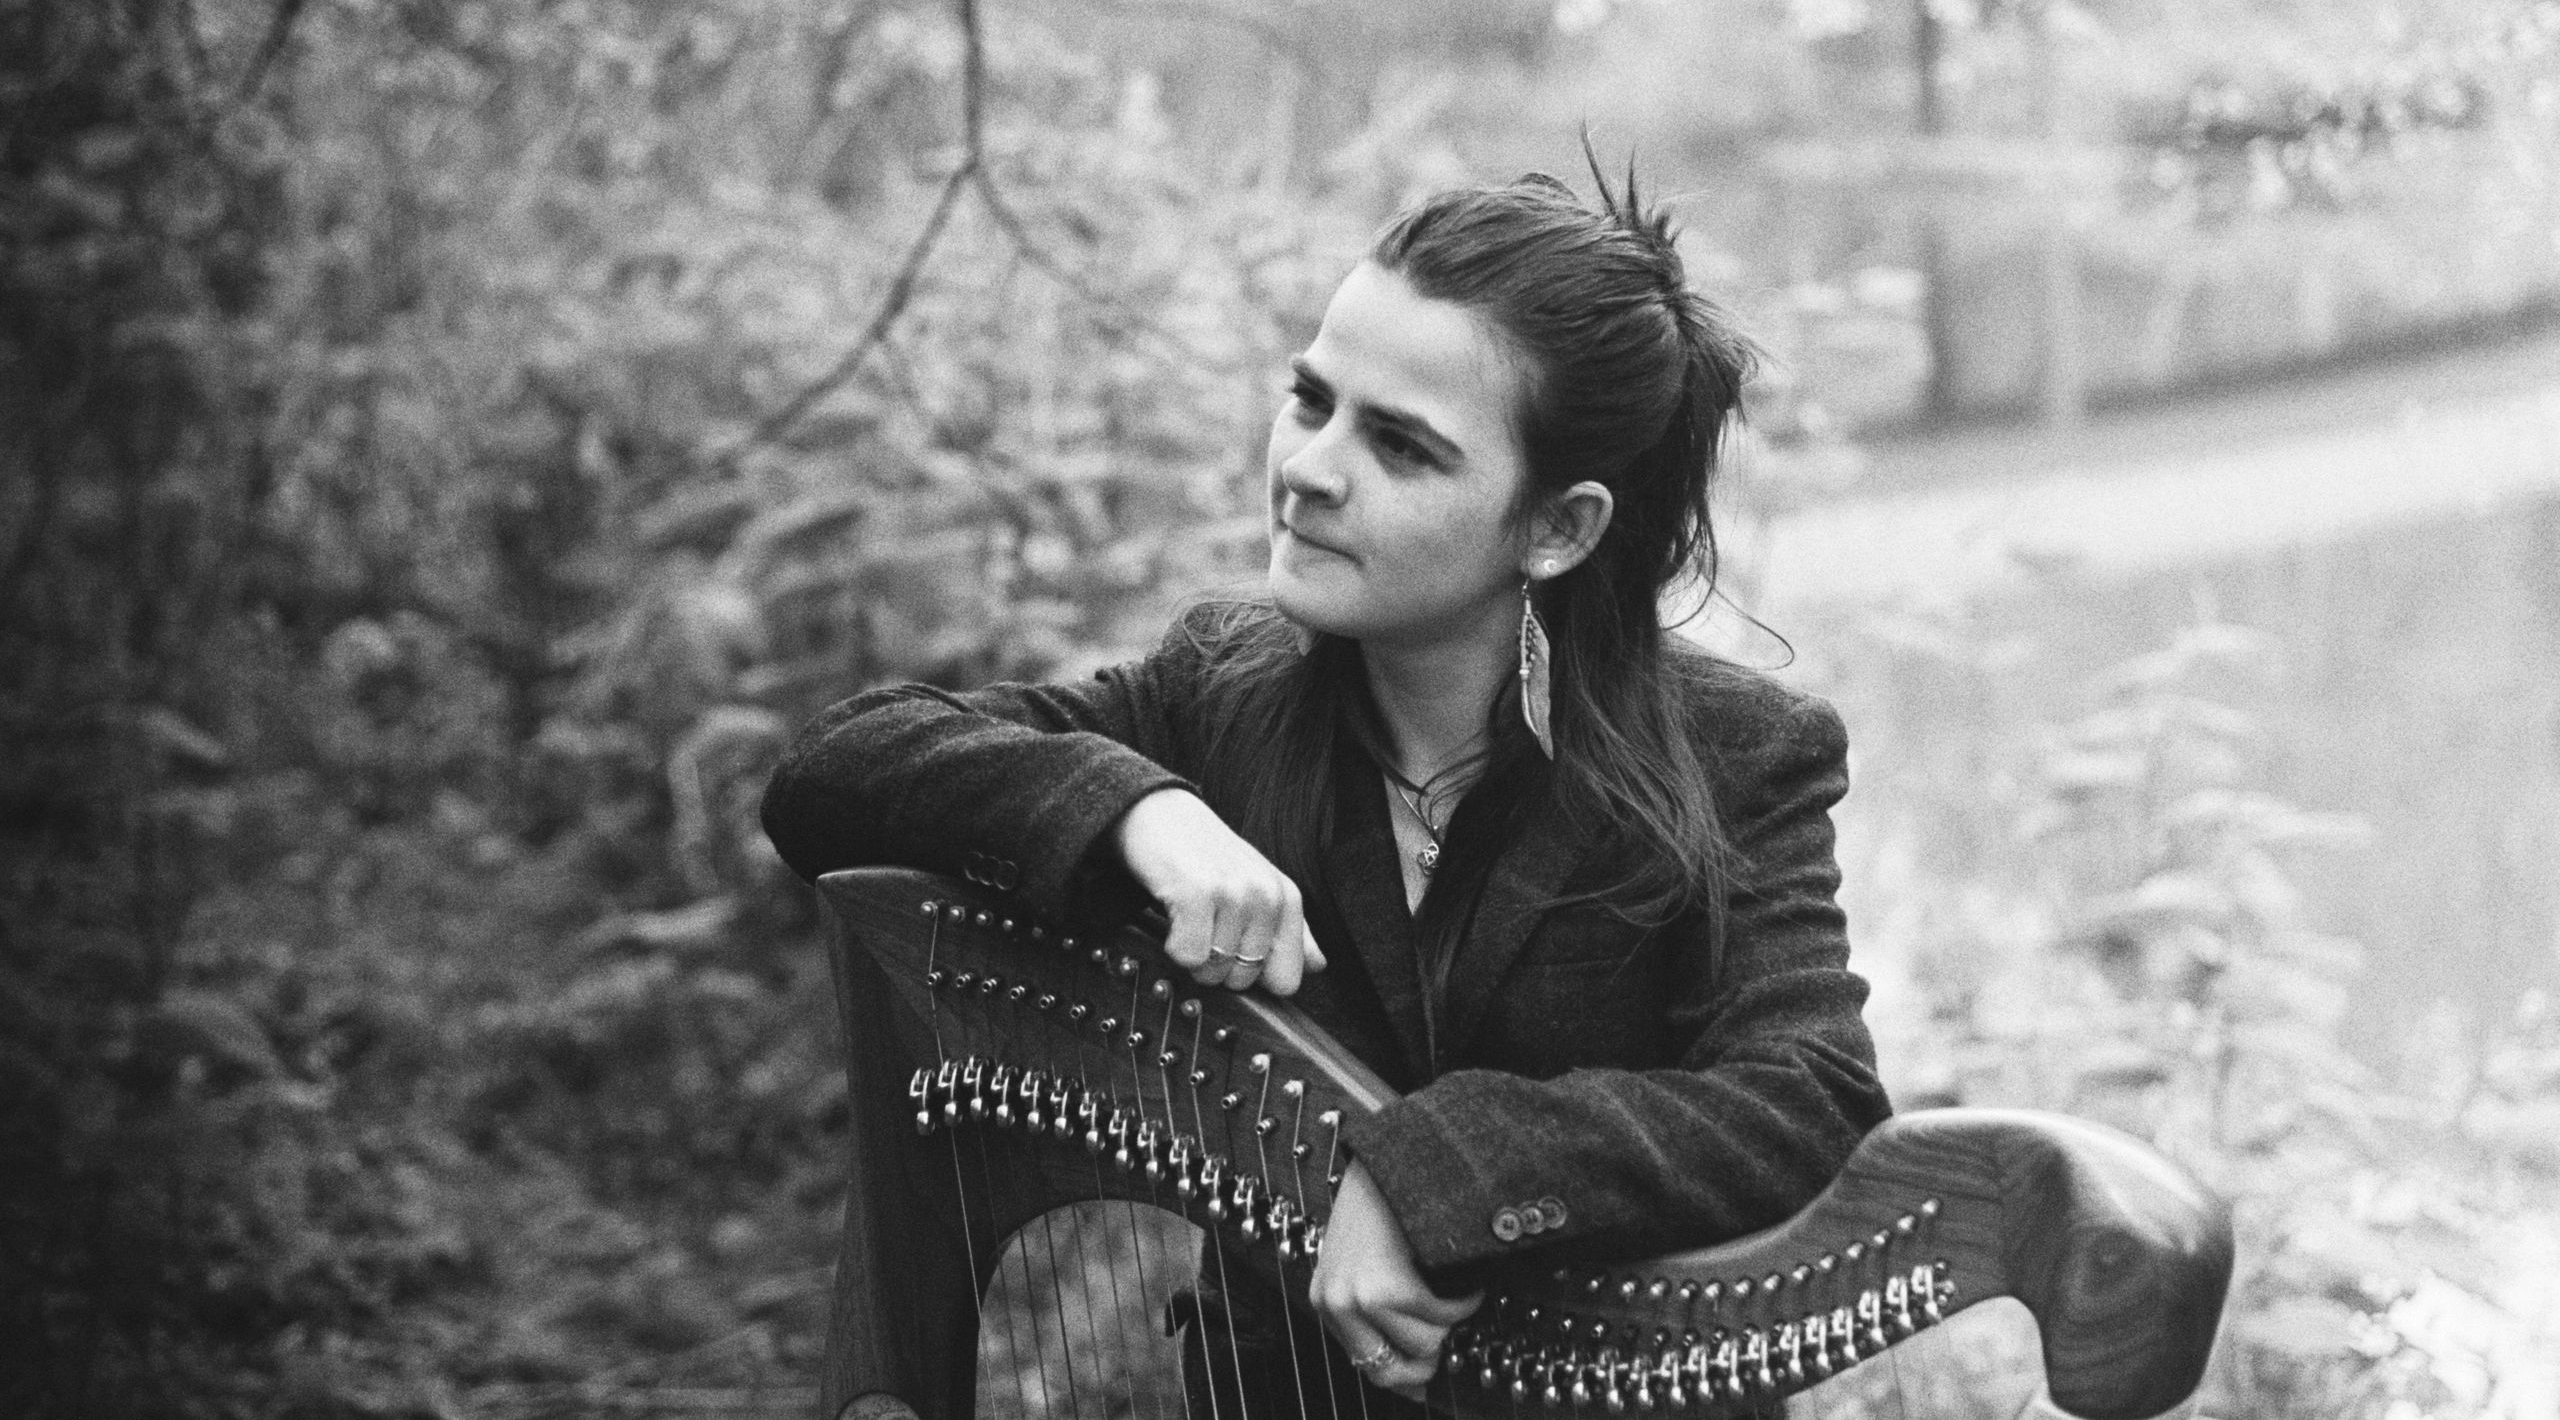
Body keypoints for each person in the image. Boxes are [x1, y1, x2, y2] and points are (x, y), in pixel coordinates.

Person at [760, 165, 1891, 1415]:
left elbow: (1806, 1099)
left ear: (1557, 529)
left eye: (1398, 445)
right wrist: (1146, 811)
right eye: (1310, 400)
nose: (1309, 467)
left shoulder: (1736, 756)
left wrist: (1426, 1172)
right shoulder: (1217, 696)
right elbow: (834, 768)